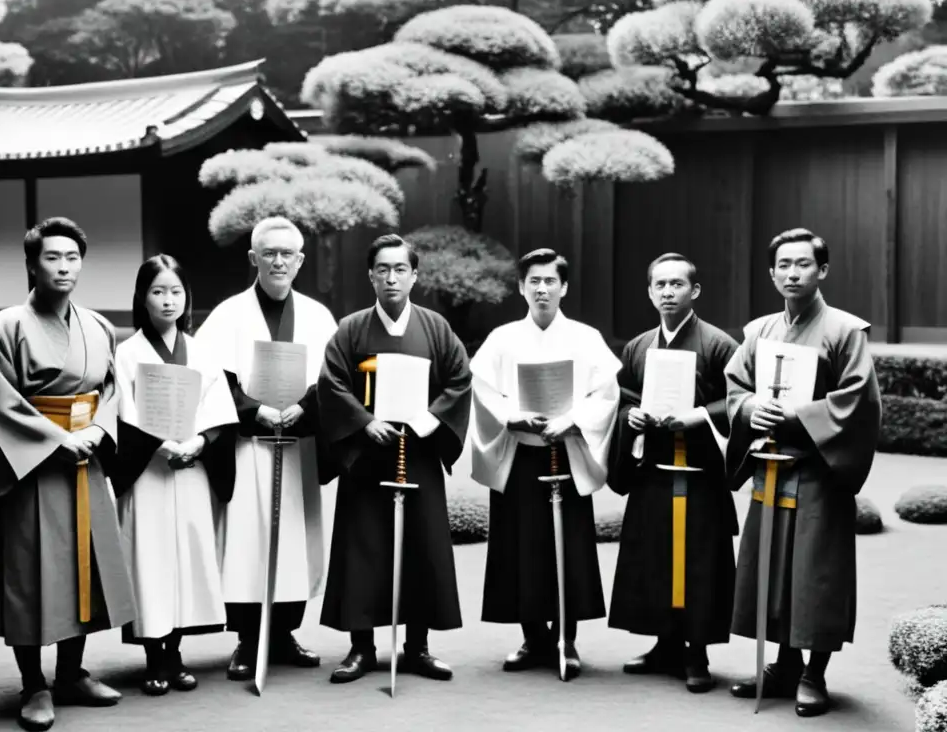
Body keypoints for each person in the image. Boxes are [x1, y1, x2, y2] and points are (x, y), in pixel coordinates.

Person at [0, 217, 136, 732]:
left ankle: (71, 673)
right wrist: (55, 440)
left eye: (72, 257)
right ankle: (33, 684)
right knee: (29, 573)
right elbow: (0, 403)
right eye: (52, 257)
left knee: (82, 569)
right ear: (31, 264)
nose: (64, 267)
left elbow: (111, 391)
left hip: (84, 460)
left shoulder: (99, 326)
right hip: (35, 467)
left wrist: (96, 431)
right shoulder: (4, 327)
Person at [724, 229, 882, 717]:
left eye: (803, 264)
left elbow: (859, 402)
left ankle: (815, 671)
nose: (793, 273)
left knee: (816, 574)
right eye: (783, 265)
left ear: (823, 270)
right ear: (771, 273)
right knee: (774, 570)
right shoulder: (759, 331)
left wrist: (796, 416)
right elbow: (735, 386)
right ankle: (783, 664)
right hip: (769, 469)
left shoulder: (844, 331)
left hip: (818, 472)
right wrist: (752, 408)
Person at [317, 233, 472, 684]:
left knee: (421, 546)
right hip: (367, 456)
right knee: (362, 550)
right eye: (382, 269)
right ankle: (361, 647)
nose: (391, 277)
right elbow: (332, 384)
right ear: (370, 274)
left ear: (415, 275)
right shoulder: (350, 329)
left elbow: (460, 381)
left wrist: (427, 420)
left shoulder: (436, 328)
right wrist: (363, 422)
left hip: (418, 453)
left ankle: (418, 646)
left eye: (400, 269)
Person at [194, 217, 338, 681]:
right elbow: (212, 379)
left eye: (288, 254)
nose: (279, 261)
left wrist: (304, 408)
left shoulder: (317, 316)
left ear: (300, 260)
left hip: (298, 445)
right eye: (269, 253)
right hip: (249, 446)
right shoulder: (227, 315)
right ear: (253, 258)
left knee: (295, 540)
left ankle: (283, 634)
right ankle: (247, 638)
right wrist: (253, 410)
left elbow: (333, 383)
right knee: (247, 540)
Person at [469, 248, 621, 679]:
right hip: (520, 453)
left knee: (568, 548)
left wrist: (572, 421)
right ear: (520, 286)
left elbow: (605, 395)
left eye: (550, 281)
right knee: (519, 546)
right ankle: (532, 636)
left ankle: (565, 638)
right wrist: (511, 417)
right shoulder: (502, 338)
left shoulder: (586, 338)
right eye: (533, 280)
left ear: (564, 286)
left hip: (567, 451)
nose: (541, 288)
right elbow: (483, 393)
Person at [606, 253, 740, 693]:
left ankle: (696, 652)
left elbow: (739, 400)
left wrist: (699, 415)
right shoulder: (639, 346)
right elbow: (623, 398)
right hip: (653, 474)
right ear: (649, 291)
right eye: (659, 285)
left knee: (699, 563)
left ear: (694, 291)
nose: (667, 292)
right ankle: (664, 644)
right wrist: (633, 417)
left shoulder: (719, 344)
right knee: (655, 558)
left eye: (676, 285)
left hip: (699, 473)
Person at [112, 255, 240, 696]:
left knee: (186, 558)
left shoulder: (202, 351)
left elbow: (218, 408)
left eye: (175, 292)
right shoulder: (126, 354)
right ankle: (154, 655)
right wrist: (160, 445)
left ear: (187, 298)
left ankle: (176, 653)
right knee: (150, 559)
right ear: (141, 298)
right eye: (157, 291)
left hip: (191, 469)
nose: (167, 301)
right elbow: (123, 416)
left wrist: (199, 443)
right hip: (149, 470)